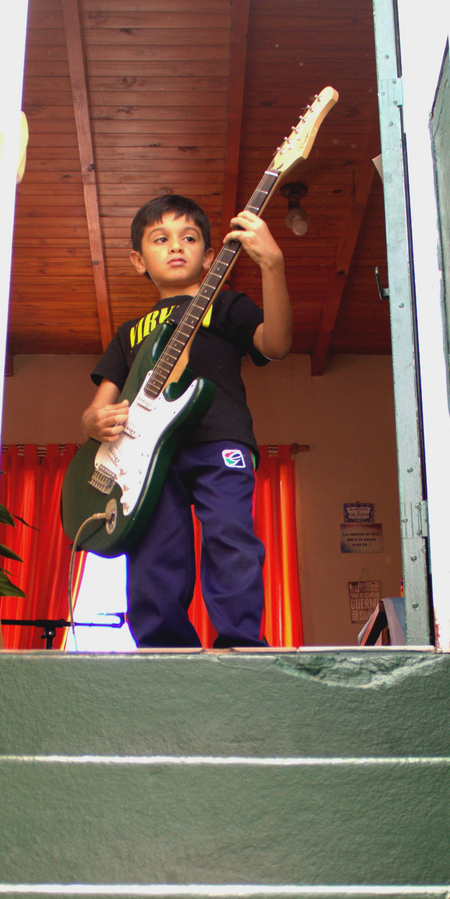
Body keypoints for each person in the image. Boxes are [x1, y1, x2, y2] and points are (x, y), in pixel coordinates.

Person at [81, 193, 292, 648]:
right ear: (139, 260)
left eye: (189, 237)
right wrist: (95, 423)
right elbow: (97, 408)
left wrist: (272, 264)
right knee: (154, 551)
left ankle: (240, 644)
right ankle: (163, 650)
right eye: (161, 239)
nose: (176, 246)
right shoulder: (128, 332)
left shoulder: (228, 306)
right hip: (148, 460)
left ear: (210, 255)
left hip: (221, 441)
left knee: (231, 537)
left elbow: (275, 344)